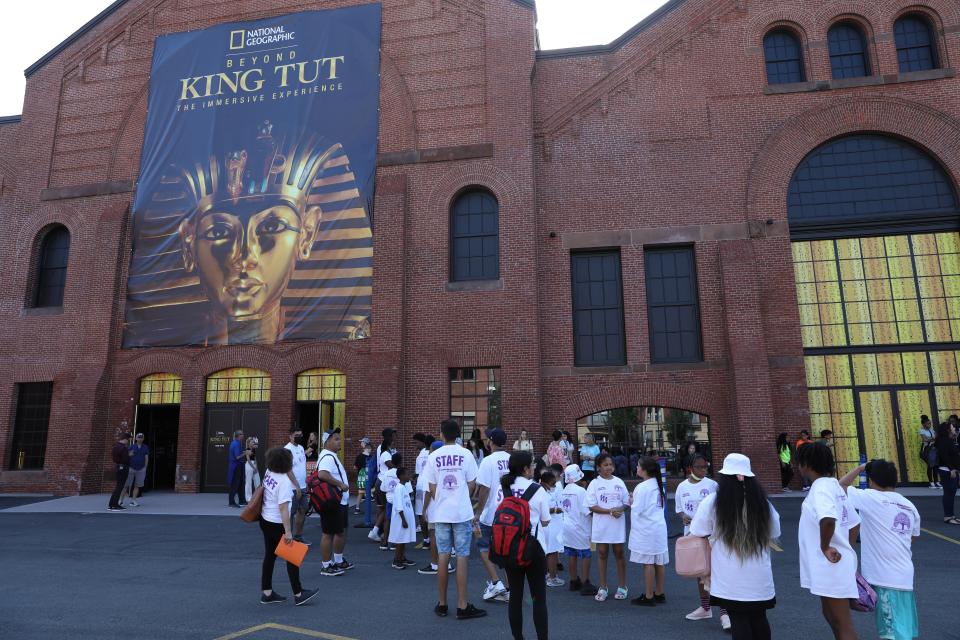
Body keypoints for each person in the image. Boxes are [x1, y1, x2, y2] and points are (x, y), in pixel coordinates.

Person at [689, 453, 781, 639]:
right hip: (759, 577)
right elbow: (775, 532)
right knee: (759, 618)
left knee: (738, 620)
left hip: (729, 577)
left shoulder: (713, 501)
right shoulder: (763, 502)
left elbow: (697, 530)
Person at [839, 460, 920, 640]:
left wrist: (860, 468)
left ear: (872, 480)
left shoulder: (870, 497)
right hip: (905, 578)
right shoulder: (909, 506)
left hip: (885, 579)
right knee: (903, 632)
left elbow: (841, 486)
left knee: (891, 634)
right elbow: (912, 537)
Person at [422, 419, 485, 619]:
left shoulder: (434, 456)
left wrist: (442, 497)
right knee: (462, 556)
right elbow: (472, 484)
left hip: (441, 513)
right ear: (458, 435)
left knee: (443, 556)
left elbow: (431, 487)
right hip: (462, 512)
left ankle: (442, 604)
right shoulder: (466, 454)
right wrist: (459, 496)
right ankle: (462, 605)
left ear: (441, 434)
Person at [797, 442, 860, 640]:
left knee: (842, 621)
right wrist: (846, 547)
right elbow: (854, 524)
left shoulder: (821, 489)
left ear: (806, 464)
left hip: (831, 564)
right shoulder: (834, 485)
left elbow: (828, 519)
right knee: (830, 615)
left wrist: (825, 546)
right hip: (837, 562)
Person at [257, 447, 318, 606]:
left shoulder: (269, 472)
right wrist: (288, 532)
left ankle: (267, 592)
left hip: (265, 519)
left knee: (270, 555)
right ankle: (298, 594)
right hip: (277, 523)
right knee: (292, 556)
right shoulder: (283, 482)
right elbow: (284, 509)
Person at [502, 450, 551, 640]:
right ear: (524, 469)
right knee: (538, 598)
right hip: (534, 548)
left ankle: (518, 637)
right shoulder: (537, 489)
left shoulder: (504, 487)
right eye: (531, 464)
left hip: (509, 547)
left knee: (515, 596)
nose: (534, 467)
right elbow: (545, 520)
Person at [675, 453, 727, 629]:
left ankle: (724, 612)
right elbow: (679, 509)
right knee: (700, 572)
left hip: (712, 535)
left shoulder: (713, 485)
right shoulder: (682, 487)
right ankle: (705, 608)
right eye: (700, 467)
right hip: (693, 536)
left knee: (718, 572)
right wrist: (684, 517)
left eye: (706, 466)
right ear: (691, 468)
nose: (704, 469)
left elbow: (721, 509)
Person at [585, 452, 629, 601]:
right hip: (602, 524)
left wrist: (621, 509)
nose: (609, 467)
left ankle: (622, 586)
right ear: (598, 467)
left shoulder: (619, 482)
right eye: (605, 465)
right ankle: (603, 586)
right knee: (602, 552)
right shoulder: (594, 484)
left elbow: (626, 502)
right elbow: (591, 506)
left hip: (616, 523)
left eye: (611, 464)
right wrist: (609, 511)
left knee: (619, 552)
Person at [474, 428, 511, 602]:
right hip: (510, 511)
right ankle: (510, 588)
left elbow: (484, 489)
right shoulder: (512, 459)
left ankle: (497, 582)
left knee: (483, 547)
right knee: (507, 550)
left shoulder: (488, 461)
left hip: (491, 513)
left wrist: (478, 512)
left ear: (491, 442)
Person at [628, 456, 668, 606]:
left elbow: (637, 509)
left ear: (644, 470)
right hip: (658, 527)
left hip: (647, 529)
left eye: (638, 466)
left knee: (648, 562)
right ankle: (659, 592)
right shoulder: (658, 485)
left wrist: (631, 501)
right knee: (659, 561)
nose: (636, 468)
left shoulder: (642, 487)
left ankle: (649, 596)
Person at [315, 429, 353, 576]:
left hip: (339, 501)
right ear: (327, 442)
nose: (339, 441)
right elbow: (322, 474)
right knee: (328, 533)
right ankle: (326, 565)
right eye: (336, 439)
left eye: (339, 438)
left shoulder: (331, 456)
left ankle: (338, 560)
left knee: (340, 531)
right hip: (332, 501)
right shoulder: (327, 457)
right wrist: (340, 484)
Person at [561, 464, 596, 595]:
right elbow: (587, 510)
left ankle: (573, 580)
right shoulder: (581, 491)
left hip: (567, 527)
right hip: (580, 527)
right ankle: (585, 582)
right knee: (586, 554)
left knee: (572, 554)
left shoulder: (564, 490)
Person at [369, 428, 396, 543]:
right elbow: (390, 465)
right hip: (384, 481)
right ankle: (377, 532)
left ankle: (378, 531)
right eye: (393, 435)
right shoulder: (384, 450)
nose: (395, 438)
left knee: (381, 509)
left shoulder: (386, 449)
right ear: (388, 437)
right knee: (386, 509)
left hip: (381, 480)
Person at [284, 426, 309, 545]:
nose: (299, 438)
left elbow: (301, 466)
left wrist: (305, 482)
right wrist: (297, 486)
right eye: (296, 436)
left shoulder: (301, 448)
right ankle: (288, 539)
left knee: (302, 510)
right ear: (290, 436)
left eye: (300, 435)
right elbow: (288, 470)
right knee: (291, 512)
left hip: (303, 486)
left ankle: (298, 536)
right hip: (292, 488)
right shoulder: (287, 450)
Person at [540, 469, 565, 587]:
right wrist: (555, 510)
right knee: (552, 552)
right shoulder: (542, 493)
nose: (554, 485)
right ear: (545, 483)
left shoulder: (545, 491)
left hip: (552, 525)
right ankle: (552, 577)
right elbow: (543, 509)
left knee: (549, 551)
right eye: (552, 483)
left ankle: (547, 575)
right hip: (550, 526)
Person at [389, 467, 417, 570]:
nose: (409, 476)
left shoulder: (404, 487)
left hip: (406, 518)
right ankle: (396, 560)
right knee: (400, 540)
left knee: (404, 539)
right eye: (407, 474)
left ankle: (402, 557)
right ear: (401, 476)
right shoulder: (399, 488)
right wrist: (403, 520)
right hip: (401, 519)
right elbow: (399, 506)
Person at [934, 421, 960, 525]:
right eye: (953, 427)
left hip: (950, 470)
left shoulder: (949, 440)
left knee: (951, 493)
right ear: (948, 430)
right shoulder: (944, 441)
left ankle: (951, 515)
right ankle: (948, 516)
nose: (955, 429)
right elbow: (945, 457)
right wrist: (952, 469)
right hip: (947, 470)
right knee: (949, 493)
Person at [377, 452, 403, 550]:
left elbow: (383, 488)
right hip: (399, 501)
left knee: (387, 520)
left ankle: (384, 542)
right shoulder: (401, 473)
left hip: (389, 500)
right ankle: (394, 542)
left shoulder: (387, 473)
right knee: (398, 521)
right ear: (400, 462)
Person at [414, 434, 435, 550]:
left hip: (420, 485)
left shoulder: (419, 456)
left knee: (420, 512)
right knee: (432, 510)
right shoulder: (434, 455)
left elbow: (418, 472)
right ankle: (434, 538)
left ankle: (426, 539)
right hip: (430, 485)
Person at [121, 433, 150, 507]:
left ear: (143, 439)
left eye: (141, 437)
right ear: (136, 438)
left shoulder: (145, 447)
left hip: (141, 469)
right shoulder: (131, 446)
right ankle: (121, 501)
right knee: (126, 485)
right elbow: (127, 456)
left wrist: (145, 468)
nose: (140, 439)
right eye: (138, 437)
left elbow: (146, 458)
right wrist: (129, 455)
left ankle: (133, 501)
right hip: (131, 468)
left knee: (137, 485)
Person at [108, 432, 132, 511]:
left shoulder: (115, 446)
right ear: (125, 439)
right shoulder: (123, 448)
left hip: (118, 466)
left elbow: (114, 459)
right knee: (120, 487)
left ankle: (111, 504)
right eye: (128, 440)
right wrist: (129, 456)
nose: (128, 441)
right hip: (123, 467)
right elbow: (125, 459)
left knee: (118, 486)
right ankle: (115, 505)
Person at [919, 415, 939, 488]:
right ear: (923, 424)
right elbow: (925, 439)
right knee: (930, 465)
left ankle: (936, 481)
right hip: (927, 449)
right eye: (928, 423)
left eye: (930, 423)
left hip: (933, 449)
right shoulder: (922, 430)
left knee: (935, 465)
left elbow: (936, 437)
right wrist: (932, 439)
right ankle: (931, 482)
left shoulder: (931, 429)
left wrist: (931, 438)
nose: (929, 425)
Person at [228, 430, 246, 507]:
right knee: (235, 484)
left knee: (241, 483)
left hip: (239, 465)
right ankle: (231, 502)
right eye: (242, 434)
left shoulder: (237, 443)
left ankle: (242, 500)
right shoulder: (236, 444)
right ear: (238, 435)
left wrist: (244, 452)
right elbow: (237, 457)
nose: (243, 435)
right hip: (236, 466)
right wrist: (246, 453)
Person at [353, 439, 371, 516]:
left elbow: (355, 467)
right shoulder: (371, 457)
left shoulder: (359, 456)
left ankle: (357, 508)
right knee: (371, 491)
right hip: (368, 475)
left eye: (362, 442)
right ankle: (369, 509)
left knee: (360, 493)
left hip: (360, 476)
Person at [244, 437, 261, 503]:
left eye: (253, 442)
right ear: (248, 443)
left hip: (254, 464)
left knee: (257, 480)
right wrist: (253, 467)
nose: (253, 443)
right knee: (248, 482)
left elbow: (255, 458)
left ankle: (258, 496)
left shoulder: (253, 449)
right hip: (249, 465)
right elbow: (248, 459)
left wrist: (256, 467)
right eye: (251, 442)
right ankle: (248, 498)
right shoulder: (247, 450)